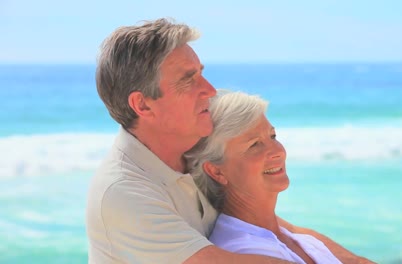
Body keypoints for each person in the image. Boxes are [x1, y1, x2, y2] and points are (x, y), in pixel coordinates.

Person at [86, 18, 372, 264]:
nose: (209, 90)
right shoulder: (124, 192)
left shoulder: (188, 153)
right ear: (144, 105)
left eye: (202, 73)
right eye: (188, 80)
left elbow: (283, 230)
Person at [185, 90, 374, 264]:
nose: (277, 151)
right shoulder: (243, 249)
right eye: (254, 145)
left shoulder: (286, 234)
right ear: (217, 171)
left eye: (273, 136)